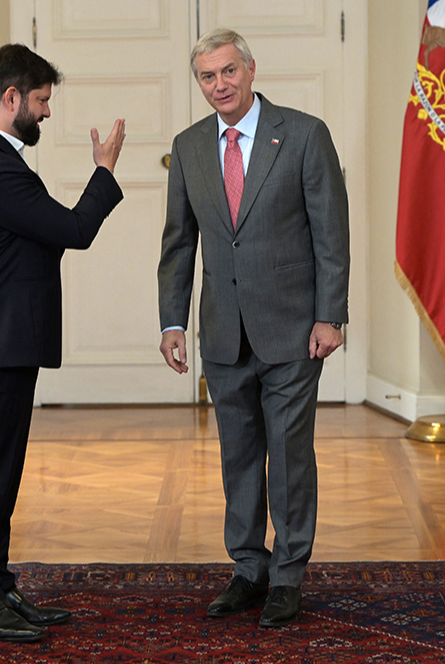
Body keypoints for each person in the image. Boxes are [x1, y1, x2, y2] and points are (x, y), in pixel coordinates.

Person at [157, 28, 349, 628]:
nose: (220, 85)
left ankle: (288, 576)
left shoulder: (304, 134)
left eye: (228, 71)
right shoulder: (189, 146)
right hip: (222, 332)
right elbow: (178, 243)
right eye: (207, 76)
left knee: (289, 457)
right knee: (238, 455)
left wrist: (330, 315)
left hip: (294, 329)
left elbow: (331, 233)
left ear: (250, 69)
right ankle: (248, 568)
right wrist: (172, 320)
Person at [0, 43, 126, 643]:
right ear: (11, 96)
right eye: (41, 100)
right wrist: (104, 170)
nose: (46, 111)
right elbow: (74, 229)